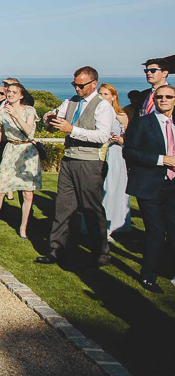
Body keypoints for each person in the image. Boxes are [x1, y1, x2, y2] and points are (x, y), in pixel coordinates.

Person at [37, 66, 113, 267]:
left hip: (90, 162)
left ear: (93, 83)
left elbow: (102, 136)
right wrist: (48, 118)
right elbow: (55, 116)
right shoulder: (70, 102)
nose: (77, 89)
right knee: (62, 208)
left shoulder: (103, 106)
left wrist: (72, 130)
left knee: (91, 208)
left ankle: (100, 253)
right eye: (74, 84)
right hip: (69, 161)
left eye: (81, 85)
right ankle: (56, 250)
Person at [123, 83, 175, 292]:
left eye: (168, 97)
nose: (163, 99)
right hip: (150, 185)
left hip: (173, 186)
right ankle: (148, 276)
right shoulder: (143, 123)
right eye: (160, 97)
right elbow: (130, 153)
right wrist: (163, 160)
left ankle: (169, 270)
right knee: (156, 231)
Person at [0, 82, 41, 239]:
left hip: (27, 152)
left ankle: (23, 227)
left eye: (14, 92)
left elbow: (29, 131)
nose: (10, 94)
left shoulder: (29, 110)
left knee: (28, 193)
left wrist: (15, 115)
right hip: (10, 151)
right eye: (9, 91)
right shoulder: (1, 112)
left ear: (21, 95)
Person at [98, 84, 131, 241]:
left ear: (113, 96)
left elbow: (129, 139)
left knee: (118, 189)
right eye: (100, 93)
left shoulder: (122, 115)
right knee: (104, 189)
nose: (102, 96)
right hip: (102, 153)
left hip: (117, 154)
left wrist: (119, 140)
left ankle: (118, 225)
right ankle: (102, 227)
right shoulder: (96, 113)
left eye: (106, 94)